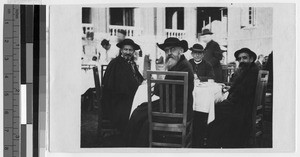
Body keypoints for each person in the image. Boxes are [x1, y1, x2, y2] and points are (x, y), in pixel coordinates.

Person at [125, 37, 194, 147]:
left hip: (178, 111)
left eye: (172, 50)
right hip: (172, 107)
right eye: (167, 51)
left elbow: (161, 91)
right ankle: (135, 147)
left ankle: (137, 148)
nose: (169, 54)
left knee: (141, 117)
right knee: (140, 112)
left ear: (180, 51)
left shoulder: (183, 67)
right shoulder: (178, 65)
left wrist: (160, 80)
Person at [207, 48, 259, 148]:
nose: (242, 61)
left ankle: (216, 142)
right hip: (242, 103)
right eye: (239, 59)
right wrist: (231, 88)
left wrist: (231, 95)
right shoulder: (248, 70)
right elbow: (244, 87)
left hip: (243, 107)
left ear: (251, 59)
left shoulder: (252, 71)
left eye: (245, 58)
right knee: (218, 106)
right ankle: (219, 139)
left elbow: (245, 92)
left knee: (215, 108)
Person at [101, 38, 144, 134]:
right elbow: (123, 85)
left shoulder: (130, 63)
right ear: (121, 50)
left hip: (125, 96)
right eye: (125, 49)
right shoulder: (117, 63)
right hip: (116, 101)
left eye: (130, 50)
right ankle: (132, 132)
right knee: (140, 107)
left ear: (133, 52)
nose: (128, 52)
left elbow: (138, 78)